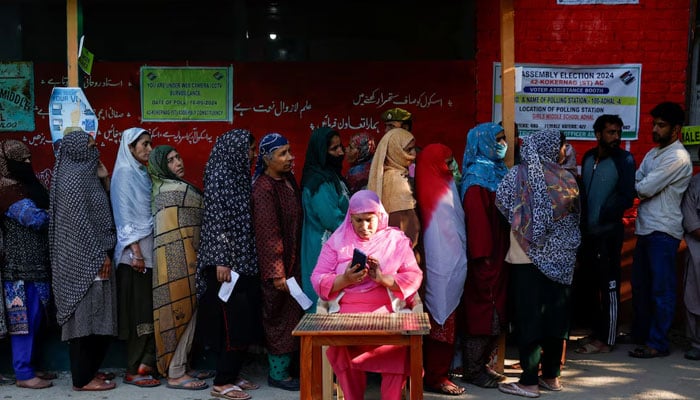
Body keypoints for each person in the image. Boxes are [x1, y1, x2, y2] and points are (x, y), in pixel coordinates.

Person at [311, 190, 423, 400]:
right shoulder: (338, 241)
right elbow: (317, 277)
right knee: (343, 348)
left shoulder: (396, 240)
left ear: (379, 216)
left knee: (396, 348)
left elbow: (414, 276)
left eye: (369, 220)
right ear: (350, 219)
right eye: (358, 221)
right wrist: (345, 279)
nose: (364, 227)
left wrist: (382, 278)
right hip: (348, 317)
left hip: (387, 313)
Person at [495, 129, 581, 398]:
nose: (564, 149)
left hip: (526, 255)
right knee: (556, 316)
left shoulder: (518, 175)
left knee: (529, 316)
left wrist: (526, 223)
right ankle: (552, 376)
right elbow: (576, 217)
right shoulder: (568, 178)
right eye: (562, 144)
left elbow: (502, 204)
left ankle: (529, 381)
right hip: (562, 258)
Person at [49, 128, 118, 391]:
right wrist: (100, 254)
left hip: (91, 257)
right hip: (84, 261)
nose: (95, 151)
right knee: (84, 322)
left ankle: (89, 371)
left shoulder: (84, 175)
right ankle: (82, 379)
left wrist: (104, 178)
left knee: (96, 319)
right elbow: (80, 224)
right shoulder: (75, 179)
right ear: (78, 151)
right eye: (91, 147)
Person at [197, 129, 262, 400]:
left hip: (242, 261)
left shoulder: (238, 176)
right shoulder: (219, 176)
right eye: (249, 149)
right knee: (231, 323)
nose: (252, 154)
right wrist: (221, 259)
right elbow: (216, 220)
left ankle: (232, 373)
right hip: (225, 265)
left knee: (243, 320)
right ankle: (222, 382)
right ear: (234, 150)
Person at [630, 102, 692, 359]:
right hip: (645, 228)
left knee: (661, 289)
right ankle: (645, 337)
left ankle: (658, 343)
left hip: (663, 231)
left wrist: (643, 183)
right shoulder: (653, 154)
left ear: (676, 129)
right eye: (654, 124)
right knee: (641, 287)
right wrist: (642, 183)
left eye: (661, 125)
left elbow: (643, 188)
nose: (654, 129)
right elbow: (638, 180)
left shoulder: (678, 157)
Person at [147, 145, 208, 390]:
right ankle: (176, 372)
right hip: (179, 259)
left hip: (169, 259)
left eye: (178, 157)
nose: (178, 163)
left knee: (179, 312)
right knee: (183, 312)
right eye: (170, 160)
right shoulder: (179, 191)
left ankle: (181, 364)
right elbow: (203, 216)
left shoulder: (157, 190)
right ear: (161, 167)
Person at [575, 114, 635, 355]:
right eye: (611, 132)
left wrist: (604, 215)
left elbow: (626, 196)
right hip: (589, 235)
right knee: (592, 285)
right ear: (598, 134)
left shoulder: (625, 160)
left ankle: (607, 340)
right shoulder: (589, 157)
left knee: (609, 285)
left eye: (618, 133)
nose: (616, 138)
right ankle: (597, 332)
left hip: (609, 234)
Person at [459, 123, 510, 388]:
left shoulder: (498, 171)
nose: (503, 144)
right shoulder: (477, 177)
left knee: (497, 309)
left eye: (504, 139)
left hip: (500, 252)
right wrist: (484, 257)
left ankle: (483, 365)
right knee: (483, 310)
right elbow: (477, 223)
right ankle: (472, 368)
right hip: (486, 256)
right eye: (498, 139)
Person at [251, 133, 303, 391]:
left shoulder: (287, 180)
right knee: (278, 317)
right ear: (266, 158)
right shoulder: (264, 188)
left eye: (289, 151)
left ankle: (290, 369)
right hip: (278, 270)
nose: (290, 158)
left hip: (294, 262)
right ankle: (278, 374)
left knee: (293, 315)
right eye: (283, 154)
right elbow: (267, 232)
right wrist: (277, 273)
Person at [414, 143, 467, 396]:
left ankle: (437, 372)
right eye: (448, 161)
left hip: (448, 265)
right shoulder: (430, 188)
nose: (452, 166)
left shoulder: (443, 183)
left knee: (442, 320)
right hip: (438, 267)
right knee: (439, 319)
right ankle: (435, 376)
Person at [111, 127, 160, 387]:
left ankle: (146, 363)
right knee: (138, 313)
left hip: (148, 251)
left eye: (151, 144)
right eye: (144, 144)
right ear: (130, 147)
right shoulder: (124, 174)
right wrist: (137, 253)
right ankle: (133, 369)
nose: (149, 149)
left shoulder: (141, 173)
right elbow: (124, 215)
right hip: (135, 257)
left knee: (149, 311)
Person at [0, 140, 52, 389]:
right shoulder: (7, 190)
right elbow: (34, 218)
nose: (28, 164)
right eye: (22, 161)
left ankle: (32, 367)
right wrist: (59, 212)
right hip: (19, 268)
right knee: (23, 323)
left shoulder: (23, 187)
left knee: (37, 319)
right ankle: (23, 373)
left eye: (30, 159)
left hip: (36, 265)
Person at [300, 127, 349, 310]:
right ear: (321, 152)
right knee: (325, 304)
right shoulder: (319, 183)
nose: (340, 152)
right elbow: (332, 220)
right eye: (333, 149)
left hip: (334, 245)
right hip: (322, 248)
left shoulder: (331, 176)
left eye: (340, 147)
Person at [367, 128, 420, 248]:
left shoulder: (391, 174)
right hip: (401, 249)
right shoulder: (395, 179)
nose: (414, 154)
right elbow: (405, 223)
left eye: (413, 148)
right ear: (395, 151)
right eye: (408, 150)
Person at [681, 147, 700, 361]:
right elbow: (692, 222)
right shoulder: (694, 185)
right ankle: (697, 343)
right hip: (697, 251)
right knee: (694, 297)